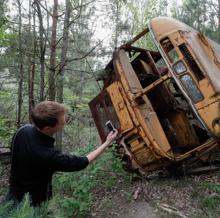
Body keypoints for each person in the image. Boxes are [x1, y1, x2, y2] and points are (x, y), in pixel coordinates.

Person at [7, 101, 118, 206]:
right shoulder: (48, 155)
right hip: (32, 207)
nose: (65, 121)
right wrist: (107, 143)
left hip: (11, 197)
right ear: (47, 128)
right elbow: (81, 162)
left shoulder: (22, 130)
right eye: (62, 122)